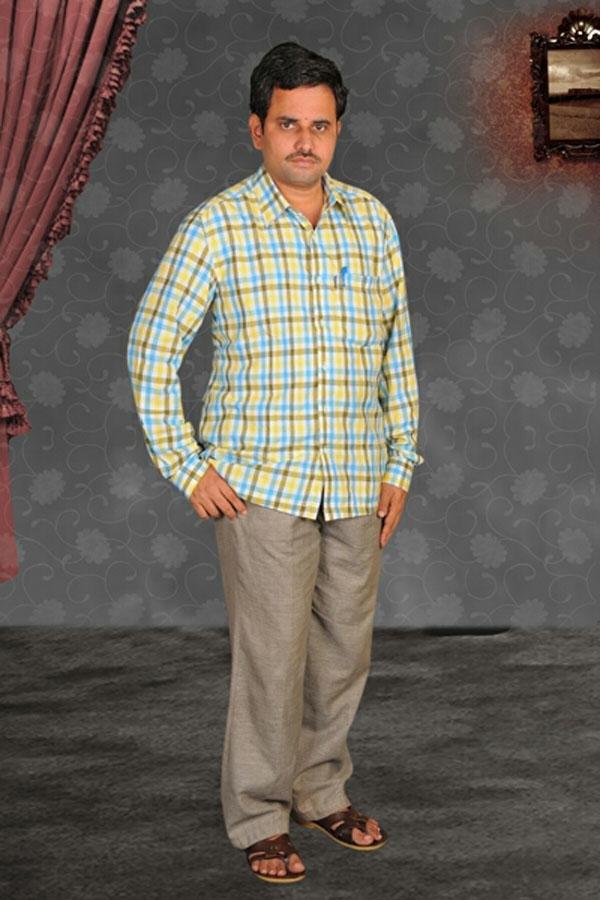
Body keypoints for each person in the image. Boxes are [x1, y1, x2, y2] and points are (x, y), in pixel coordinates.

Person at [127, 41, 424, 885]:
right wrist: (188, 465)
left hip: (357, 478)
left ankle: (321, 791)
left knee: (341, 654)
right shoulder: (217, 226)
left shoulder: (371, 221)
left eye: (320, 126)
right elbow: (151, 347)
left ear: (337, 131)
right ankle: (260, 816)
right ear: (257, 128)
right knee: (271, 660)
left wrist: (400, 462)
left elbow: (396, 351)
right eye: (288, 124)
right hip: (260, 487)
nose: (305, 141)